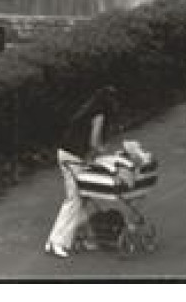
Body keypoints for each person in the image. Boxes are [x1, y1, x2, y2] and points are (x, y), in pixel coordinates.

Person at [45, 87, 119, 258]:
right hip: (72, 157)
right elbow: (94, 142)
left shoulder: (88, 110)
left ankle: (64, 239)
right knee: (74, 200)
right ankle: (58, 242)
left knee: (79, 198)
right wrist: (103, 152)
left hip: (68, 154)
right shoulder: (100, 114)